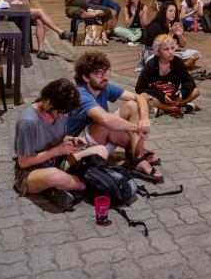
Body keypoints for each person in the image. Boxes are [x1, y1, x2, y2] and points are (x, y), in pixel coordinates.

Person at [13, 78, 109, 209]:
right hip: (31, 172)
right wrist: (57, 150)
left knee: (101, 151)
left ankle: (61, 187)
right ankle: (90, 185)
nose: (64, 116)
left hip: (56, 161)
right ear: (48, 103)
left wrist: (71, 140)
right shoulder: (28, 122)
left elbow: (60, 138)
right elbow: (23, 162)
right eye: (61, 112)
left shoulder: (60, 113)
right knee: (54, 175)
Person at [67, 51, 161, 182]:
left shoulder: (104, 86)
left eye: (106, 72)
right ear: (86, 77)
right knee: (108, 122)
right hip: (76, 145)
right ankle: (136, 153)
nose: (104, 76)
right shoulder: (81, 94)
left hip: (97, 138)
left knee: (133, 106)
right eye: (99, 73)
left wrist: (144, 119)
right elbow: (105, 119)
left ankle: (137, 156)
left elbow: (139, 97)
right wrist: (135, 128)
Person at [0, 0, 72, 59]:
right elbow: (3, 1)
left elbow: (27, 5)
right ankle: (60, 32)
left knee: (40, 19)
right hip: (9, 14)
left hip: (24, 14)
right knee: (39, 12)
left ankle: (41, 50)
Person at [136, 34, 200, 116]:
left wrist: (182, 92)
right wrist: (162, 96)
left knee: (196, 91)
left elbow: (189, 81)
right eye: (166, 49)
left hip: (173, 97)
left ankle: (165, 108)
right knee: (143, 96)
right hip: (158, 97)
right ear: (158, 51)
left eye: (172, 48)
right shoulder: (151, 64)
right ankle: (171, 109)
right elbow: (140, 88)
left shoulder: (178, 62)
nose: (170, 52)